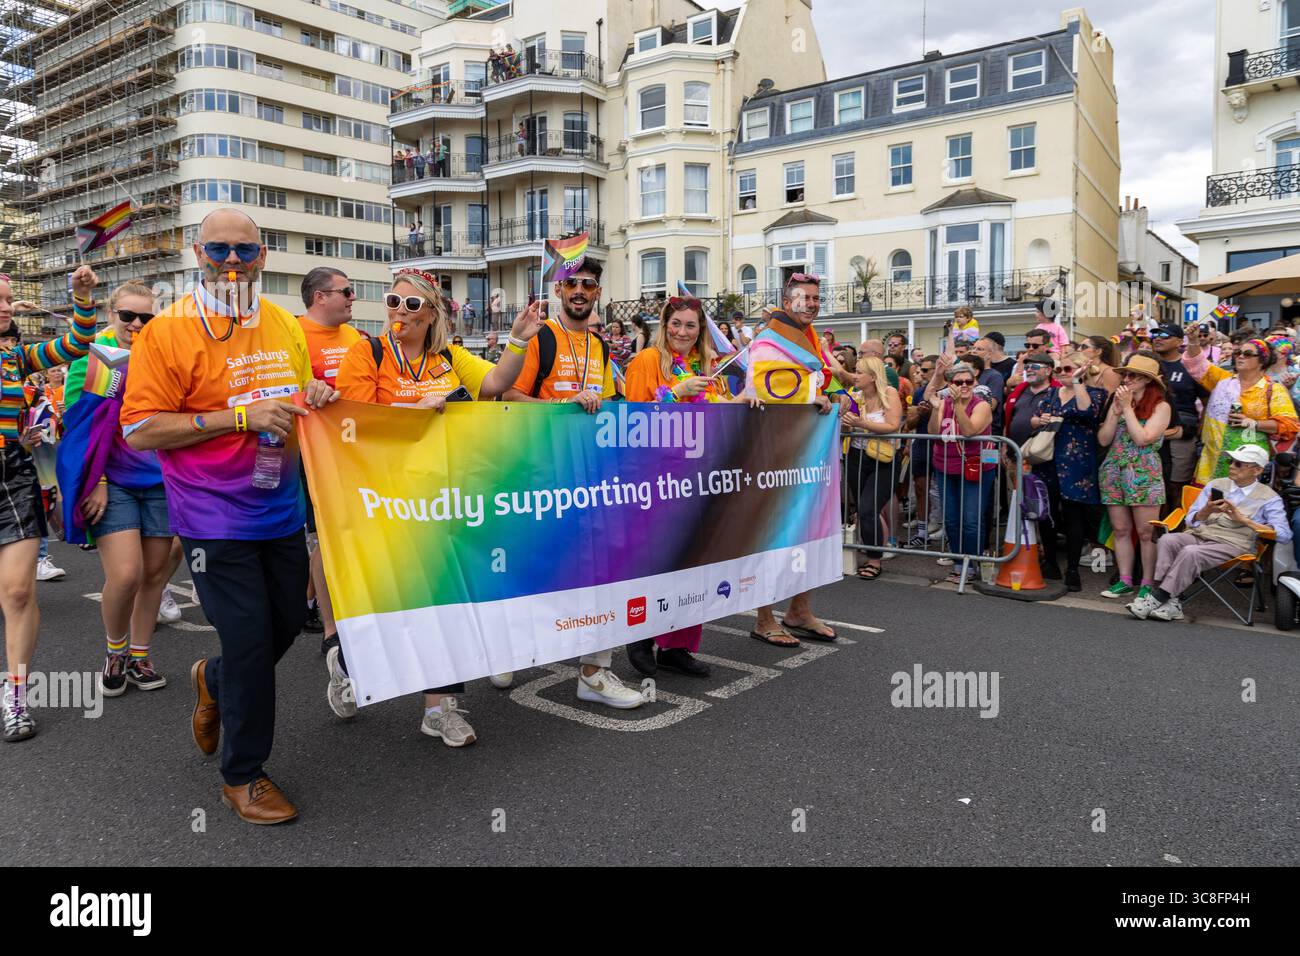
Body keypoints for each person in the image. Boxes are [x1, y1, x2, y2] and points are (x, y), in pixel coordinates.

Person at [121, 208, 337, 823]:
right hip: (212, 513)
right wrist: (238, 418)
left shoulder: (282, 324)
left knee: (282, 626)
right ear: (198, 252)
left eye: (246, 251)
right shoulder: (166, 331)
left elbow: (294, 396)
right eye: (220, 250)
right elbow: (139, 429)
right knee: (248, 642)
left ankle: (212, 681)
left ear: (264, 255)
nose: (233, 262)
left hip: (280, 503)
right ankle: (243, 776)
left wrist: (312, 394)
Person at [332, 269, 544, 742]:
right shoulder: (365, 353)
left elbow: (492, 385)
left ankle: (440, 709)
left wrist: (517, 341)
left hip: (443, 498)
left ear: (431, 314)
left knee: (447, 601)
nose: (399, 313)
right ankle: (348, 662)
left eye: (411, 306)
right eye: (393, 302)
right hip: (384, 501)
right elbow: (352, 424)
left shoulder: (446, 356)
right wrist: (414, 411)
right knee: (395, 604)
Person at [502, 259, 645, 708]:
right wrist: (565, 403)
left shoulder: (601, 347)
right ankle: (506, 648)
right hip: (540, 471)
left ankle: (594, 672)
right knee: (536, 567)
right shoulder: (542, 336)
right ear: (560, 291)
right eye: (572, 284)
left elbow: (604, 403)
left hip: (588, 473)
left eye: (588, 284)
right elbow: (507, 395)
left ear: (598, 294)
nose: (580, 290)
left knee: (600, 571)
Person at [60, 280, 182, 699]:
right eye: (127, 315)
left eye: (146, 317)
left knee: (154, 576)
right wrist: (98, 482)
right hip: (114, 485)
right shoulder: (97, 358)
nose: (136, 324)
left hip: (161, 482)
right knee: (126, 574)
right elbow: (80, 428)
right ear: (112, 315)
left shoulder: (165, 354)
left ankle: (141, 655)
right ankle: (115, 652)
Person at [622, 296, 751, 676]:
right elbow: (633, 419)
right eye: (675, 323)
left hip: (698, 477)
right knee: (657, 563)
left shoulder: (705, 365)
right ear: (664, 325)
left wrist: (744, 398)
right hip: (657, 477)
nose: (682, 331)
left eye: (690, 325)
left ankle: (677, 646)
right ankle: (641, 639)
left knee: (693, 564)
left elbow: (718, 410)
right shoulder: (647, 360)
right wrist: (676, 394)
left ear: (701, 330)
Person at [0, 267, 99, 741]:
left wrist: (81, 298)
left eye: (6, 299)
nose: (5, 307)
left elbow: (77, 344)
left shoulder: (14, 357)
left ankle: (15, 694)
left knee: (18, 592)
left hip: (13, 479)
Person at [748, 273, 845, 644]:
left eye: (817, 298)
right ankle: (763, 617)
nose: (812, 304)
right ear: (788, 302)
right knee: (773, 533)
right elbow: (767, 383)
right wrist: (813, 394)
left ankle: (799, 609)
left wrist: (839, 396)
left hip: (808, 451)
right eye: (805, 298)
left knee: (809, 532)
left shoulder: (811, 337)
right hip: (774, 449)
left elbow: (824, 377)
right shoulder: (769, 337)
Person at [1130, 445, 1290, 621]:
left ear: (1257, 470)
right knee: (1167, 540)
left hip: (1233, 544)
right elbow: (1190, 519)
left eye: (1238, 463)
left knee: (1191, 552)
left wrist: (1244, 520)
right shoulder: (1216, 485)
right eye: (1231, 461)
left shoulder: (1269, 497)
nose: (1231, 466)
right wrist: (1205, 511)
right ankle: (1171, 602)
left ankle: (1156, 599)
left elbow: (1283, 534)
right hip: (1200, 534)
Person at [296, 267, 363, 659]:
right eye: (347, 291)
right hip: (313, 453)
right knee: (324, 535)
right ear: (320, 296)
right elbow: (291, 388)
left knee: (345, 532)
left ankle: (317, 603)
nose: (353, 297)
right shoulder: (295, 335)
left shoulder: (353, 336)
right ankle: (329, 625)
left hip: (353, 449)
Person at [1097, 354, 1171, 601]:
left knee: (1146, 533)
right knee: (1120, 529)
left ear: (1147, 381)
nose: (1126, 380)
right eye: (1125, 375)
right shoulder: (1119, 402)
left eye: (1132, 376)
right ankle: (1125, 580)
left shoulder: (1161, 407)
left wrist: (1127, 408)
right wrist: (1115, 412)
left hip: (1143, 473)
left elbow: (1143, 438)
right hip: (1114, 470)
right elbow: (1104, 440)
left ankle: (1148, 582)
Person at [1182, 333, 1298, 484]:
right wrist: (1192, 340)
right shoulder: (1223, 380)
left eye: (1248, 354)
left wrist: (1253, 423)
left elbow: (1289, 425)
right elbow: (1196, 363)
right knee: (1209, 505)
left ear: (1262, 361)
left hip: (1248, 465)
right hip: (1211, 462)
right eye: (1238, 353)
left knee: (1241, 507)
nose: (1240, 356)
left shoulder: (1273, 389)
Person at [1035, 351, 1107, 591]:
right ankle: (1051, 563)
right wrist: (1038, 420)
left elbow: (1088, 412)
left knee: (1074, 515)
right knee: (1047, 514)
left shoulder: (1095, 393)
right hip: (1048, 459)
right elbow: (1035, 419)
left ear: (1080, 370)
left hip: (1077, 461)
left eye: (1068, 369)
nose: (1063, 373)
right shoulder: (1051, 393)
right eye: (1059, 370)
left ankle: (1073, 569)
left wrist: (1077, 382)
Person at [926, 356, 995, 586]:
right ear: (950, 384)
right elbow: (934, 431)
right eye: (958, 382)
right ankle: (958, 562)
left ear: (975, 382)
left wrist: (955, 406)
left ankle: (971, 563)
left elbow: (969, 431)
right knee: (952, 519)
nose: (964, 385)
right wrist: (940, 407)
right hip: (946, 465)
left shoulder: (981, 405)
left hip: (976, 467)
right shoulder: (944, 403)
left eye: (968, 381)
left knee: (971, 519)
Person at [842, 356, 903, 581]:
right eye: (855, 371)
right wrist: (846, 422)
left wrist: (861, 423)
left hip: (884, 460)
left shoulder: (889, 393)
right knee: (863, 509)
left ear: (873, 376)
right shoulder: (854, 396)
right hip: (857, 456)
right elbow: (845, 427)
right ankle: (871, 553)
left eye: (859, 372)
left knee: (868, 508)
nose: (855, 375)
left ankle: (874, 560)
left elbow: (892, 425)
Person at [1150, 324, 1206, 513]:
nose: (1157, 338)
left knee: (1175, 486)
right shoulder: (1149, 364)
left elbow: (1207, 400)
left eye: (1165, 335)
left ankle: (1172, 529)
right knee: (1149, 484)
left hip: (1180, 434)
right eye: (1155, 334)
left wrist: (1199, 431)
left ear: (1179, 341)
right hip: (1148, 431)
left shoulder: (1188, 366)